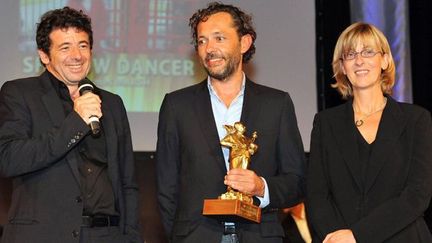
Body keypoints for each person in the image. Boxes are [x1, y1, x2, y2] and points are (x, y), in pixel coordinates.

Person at [156, 2, 305, 242]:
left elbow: (296, 182)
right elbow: (166, 188)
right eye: (202, 41)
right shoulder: (177, 106)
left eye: (219, 38)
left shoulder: (277, 104)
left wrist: (261, 187)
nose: (209, 49)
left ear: (244, 43)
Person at [0, 7, 142, 243]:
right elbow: (8, 159)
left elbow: (127, 182)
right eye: (65, 47)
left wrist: (132, 237)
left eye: (83, 45)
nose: (77, 55)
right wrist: (76, 122)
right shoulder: (19, 93)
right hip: (43, 235)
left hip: (106, 235)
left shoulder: (112, 104)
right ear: (44, 56)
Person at [306, 22, 432, 243]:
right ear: (343, 67)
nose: (359, 60)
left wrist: (358, 236)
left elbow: (417, 195)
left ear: (384, 60)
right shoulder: (325, 123)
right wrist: (338, 238)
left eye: (368, 51)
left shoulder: (416, 120)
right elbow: (316, 195)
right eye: (350, 54)